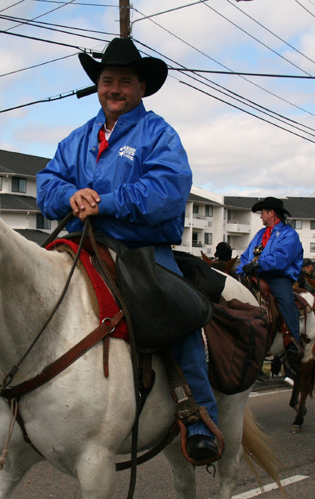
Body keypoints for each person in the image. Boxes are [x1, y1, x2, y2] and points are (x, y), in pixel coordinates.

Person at [36, 38, 219, 461]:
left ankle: (198, 417)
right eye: (107, 80)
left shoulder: (159, 133)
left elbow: (167, 191)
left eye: (123, 81)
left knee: (178, 313)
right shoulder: (78, 138)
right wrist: (70, 195)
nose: (113, 88)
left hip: (141, 249)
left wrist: (104, 201)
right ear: (98, 86)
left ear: (140, 88)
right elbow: (46, 182)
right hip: (81, 243)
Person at [237, 197, 304, 363]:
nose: (261, 216)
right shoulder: (260, 234)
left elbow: (282, 258)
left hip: (278, 276)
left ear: (271, 213)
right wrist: (242, 268)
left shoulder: (290, 234)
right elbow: (246, 255)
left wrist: (258, 264)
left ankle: (293, 341)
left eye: (263, 213)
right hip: (255, 274)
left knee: (285, 300)